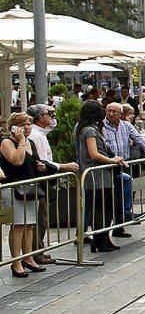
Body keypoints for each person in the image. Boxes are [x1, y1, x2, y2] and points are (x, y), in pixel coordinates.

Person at [2, 114, 55, 276]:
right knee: (18, 226)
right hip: (13, 188)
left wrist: (39, 166)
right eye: (23, 124)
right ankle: (16, 262)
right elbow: (16, 160)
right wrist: (21, 141)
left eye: (29, 124)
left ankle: (28, 257)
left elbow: (33, 162)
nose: (27, 127)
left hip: (31, 188)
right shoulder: (7, 142)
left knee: (30, 225)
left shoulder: (30, 142)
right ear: (14, 127)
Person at [26, 104, 78, 264]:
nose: (52, 116)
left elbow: (53, 125)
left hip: (42, 180)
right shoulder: (36, 135)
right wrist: (63, 166)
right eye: (49, 114)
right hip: (38, 181)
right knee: (40, 219)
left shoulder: (41, 132)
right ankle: (35, 253)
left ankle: (38, 250)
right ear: (40, 118)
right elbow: (43, 161)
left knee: (41, 218)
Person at [102, 100, 145, 235]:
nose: (111, 114)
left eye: (114, 112)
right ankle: (105, 230)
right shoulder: (102, 126)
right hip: (108, 166)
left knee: (123, 196)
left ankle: (119, 226)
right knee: (111, 199)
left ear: (120, 114)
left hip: (125, 164)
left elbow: (139, 139)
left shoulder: (126, 126)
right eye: (108, 111)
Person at [76, 99, 124, 254]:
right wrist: (112, 160)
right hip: (97, 174)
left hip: (96, 173)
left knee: (102, 207)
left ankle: (102, 239)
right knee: (103, 208)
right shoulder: (89, 131)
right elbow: (94, 153)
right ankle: (100, 239)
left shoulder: (82, 128)